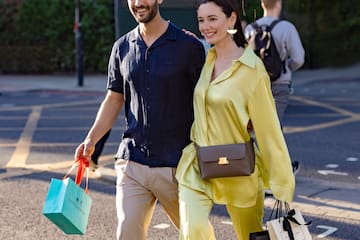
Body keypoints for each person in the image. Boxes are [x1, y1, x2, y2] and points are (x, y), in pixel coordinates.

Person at [74, 0, 205, 239]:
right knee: (127, 233)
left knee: (195, 234)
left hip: (178, 166)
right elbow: (114, 99)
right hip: (133, 163)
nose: (137, 3)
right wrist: (91, 140)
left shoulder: (189, 46)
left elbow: (207, 99)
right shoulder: (121, 47)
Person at [175, 0, 295, 239]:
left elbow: (268, 129)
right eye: (201, 20)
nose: (205, 26)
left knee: (248, 234)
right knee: (193, 230)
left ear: (231, 20)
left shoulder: (252, 69)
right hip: (198, 164)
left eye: (212, 19)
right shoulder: (206, 60)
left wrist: (282, 184)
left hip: (239, 168)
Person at [244, 0, 305, 174]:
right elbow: (299, 58)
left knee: (260, 129)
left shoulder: (250, 29)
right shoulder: (287, 28)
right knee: (272, 130)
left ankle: (277, 168)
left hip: (255, 86)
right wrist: (285, 68)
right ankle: (275, 175)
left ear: (262, 4)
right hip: (279, 85)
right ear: (278, 4)